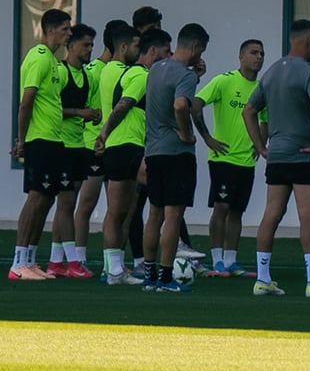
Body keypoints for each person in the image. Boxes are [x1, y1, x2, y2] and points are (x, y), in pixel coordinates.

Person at [245, 19, 310, 297]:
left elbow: (249, 111)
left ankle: (262, 279)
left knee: (271, 214)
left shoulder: (271, 71)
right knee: (309, 217)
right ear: (309, 41)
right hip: (304, 155)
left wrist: (261, 147)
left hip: (278, 155)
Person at [141, 23, 223, 292]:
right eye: (202, 51)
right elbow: (179, 105)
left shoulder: (156, 68)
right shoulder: (184, 76)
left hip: (153, 150)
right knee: (173, 216)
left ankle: (150, 276)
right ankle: (167, 279)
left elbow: (167, 96)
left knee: (154, 214)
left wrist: (194, 76)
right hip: (176, 152)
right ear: (197, 47)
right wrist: (187, 134)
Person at [97, 27, 170, 285]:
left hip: (124, 146)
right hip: (125, 146)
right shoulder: (139, 75)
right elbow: (123, 105)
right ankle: (126, 266)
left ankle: (115, 269)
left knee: (122, 211)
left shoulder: (116, 71)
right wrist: (105, 132)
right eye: (165, 54)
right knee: (154, 197)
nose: (167, 59)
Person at [193, 39, 267, 277]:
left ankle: (231, 261)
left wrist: (260, 144)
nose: (259, 57)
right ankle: (217, 261)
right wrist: (207, 138)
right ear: (241, 56)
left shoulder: (261, 89)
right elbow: (195, 104)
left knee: (237, 211)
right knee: (222, 206)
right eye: (254, 53)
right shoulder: (224, 81)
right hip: (223, 157)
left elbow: (265, 119)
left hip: (246, 160)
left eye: (262, 53)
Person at [9, 9, 72, 281]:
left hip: (54, 139)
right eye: (65, 29)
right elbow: (27, 102)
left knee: (46, 199)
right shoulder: (39, 58)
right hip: (41, 139)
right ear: (50, 30)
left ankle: (31, 260)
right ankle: (18, 262)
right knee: (36, 198)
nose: (69, 33)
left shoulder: (54, 62)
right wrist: (22, 139)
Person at [73, 19, 128, 275]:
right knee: (86, 203)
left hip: (114, 145)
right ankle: (79, 258)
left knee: (117, 207)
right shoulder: (94, 70)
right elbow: (82, 104)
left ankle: (114, 264)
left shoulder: (123, 70)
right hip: (92, 145)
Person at [45, 24, 99, 279]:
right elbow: (51, 108)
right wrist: (80, 112)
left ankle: (56, 262)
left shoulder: (86, 75)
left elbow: (78, 109)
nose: (90, 50)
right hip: (63, 146)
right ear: (72, 46)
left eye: (91, 45)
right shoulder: (61, 72)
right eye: (85, 45)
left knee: (67, 204)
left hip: (79, 145)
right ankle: (73, 262)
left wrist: (91, 116)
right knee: (66, 204)